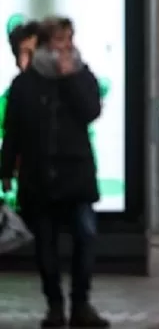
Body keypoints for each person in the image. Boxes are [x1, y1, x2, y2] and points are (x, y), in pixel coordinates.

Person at [0, 17, 110, 328]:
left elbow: (91, 110)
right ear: (47, 44)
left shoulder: (80, 72)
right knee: (45, 245)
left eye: (69, 39)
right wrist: (6, 169)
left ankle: (81, 304)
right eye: (59, 40)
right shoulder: (26, 83)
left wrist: (69, 78)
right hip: (40, 175)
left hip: (76, 174)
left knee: (85, 238)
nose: (66, 47)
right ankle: (55, 306)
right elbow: (14, 131)